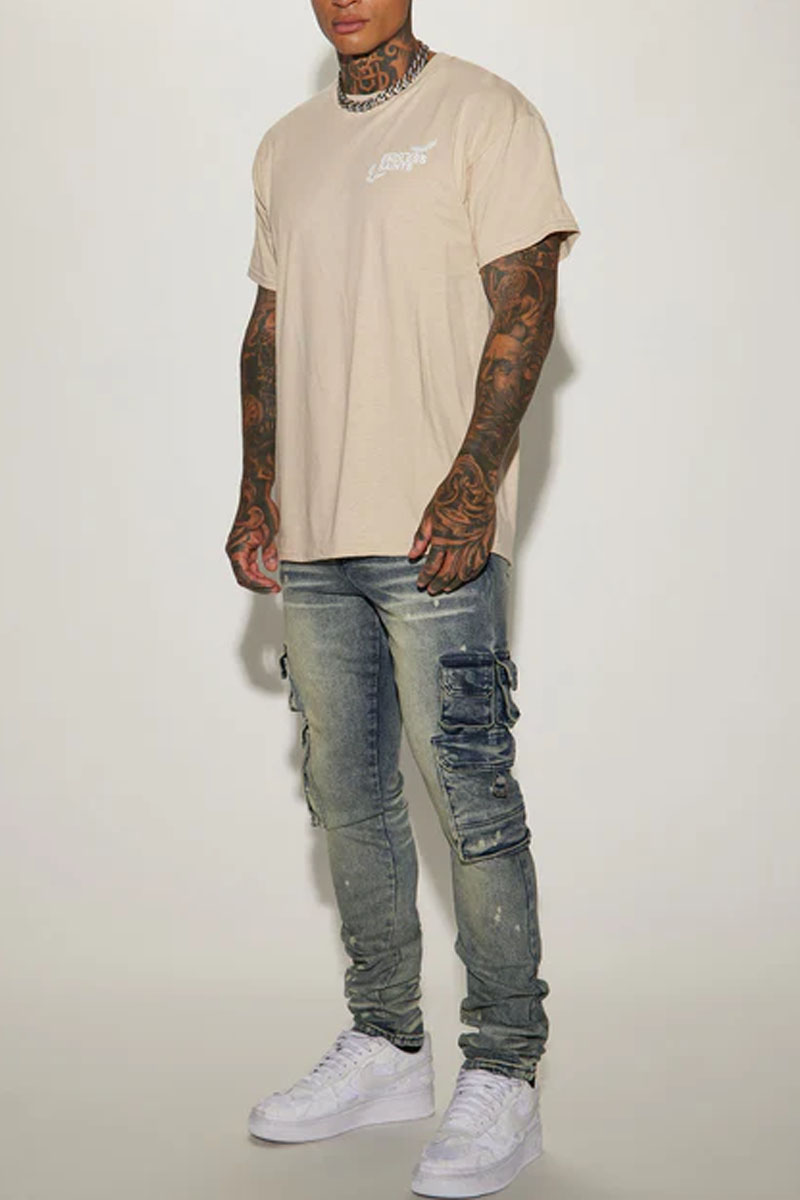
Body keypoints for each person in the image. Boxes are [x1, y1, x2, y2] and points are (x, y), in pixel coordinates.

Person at [225, 1, 580, 1194]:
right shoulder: (285, 145)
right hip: (315, 535)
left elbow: (525, 300)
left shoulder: (482, 113)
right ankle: (385, 1043)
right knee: (346, 799)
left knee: (469, 797)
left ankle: (506, 1068)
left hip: (434, 528)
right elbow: (267, 329)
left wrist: (472, 481)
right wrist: (257, 493)